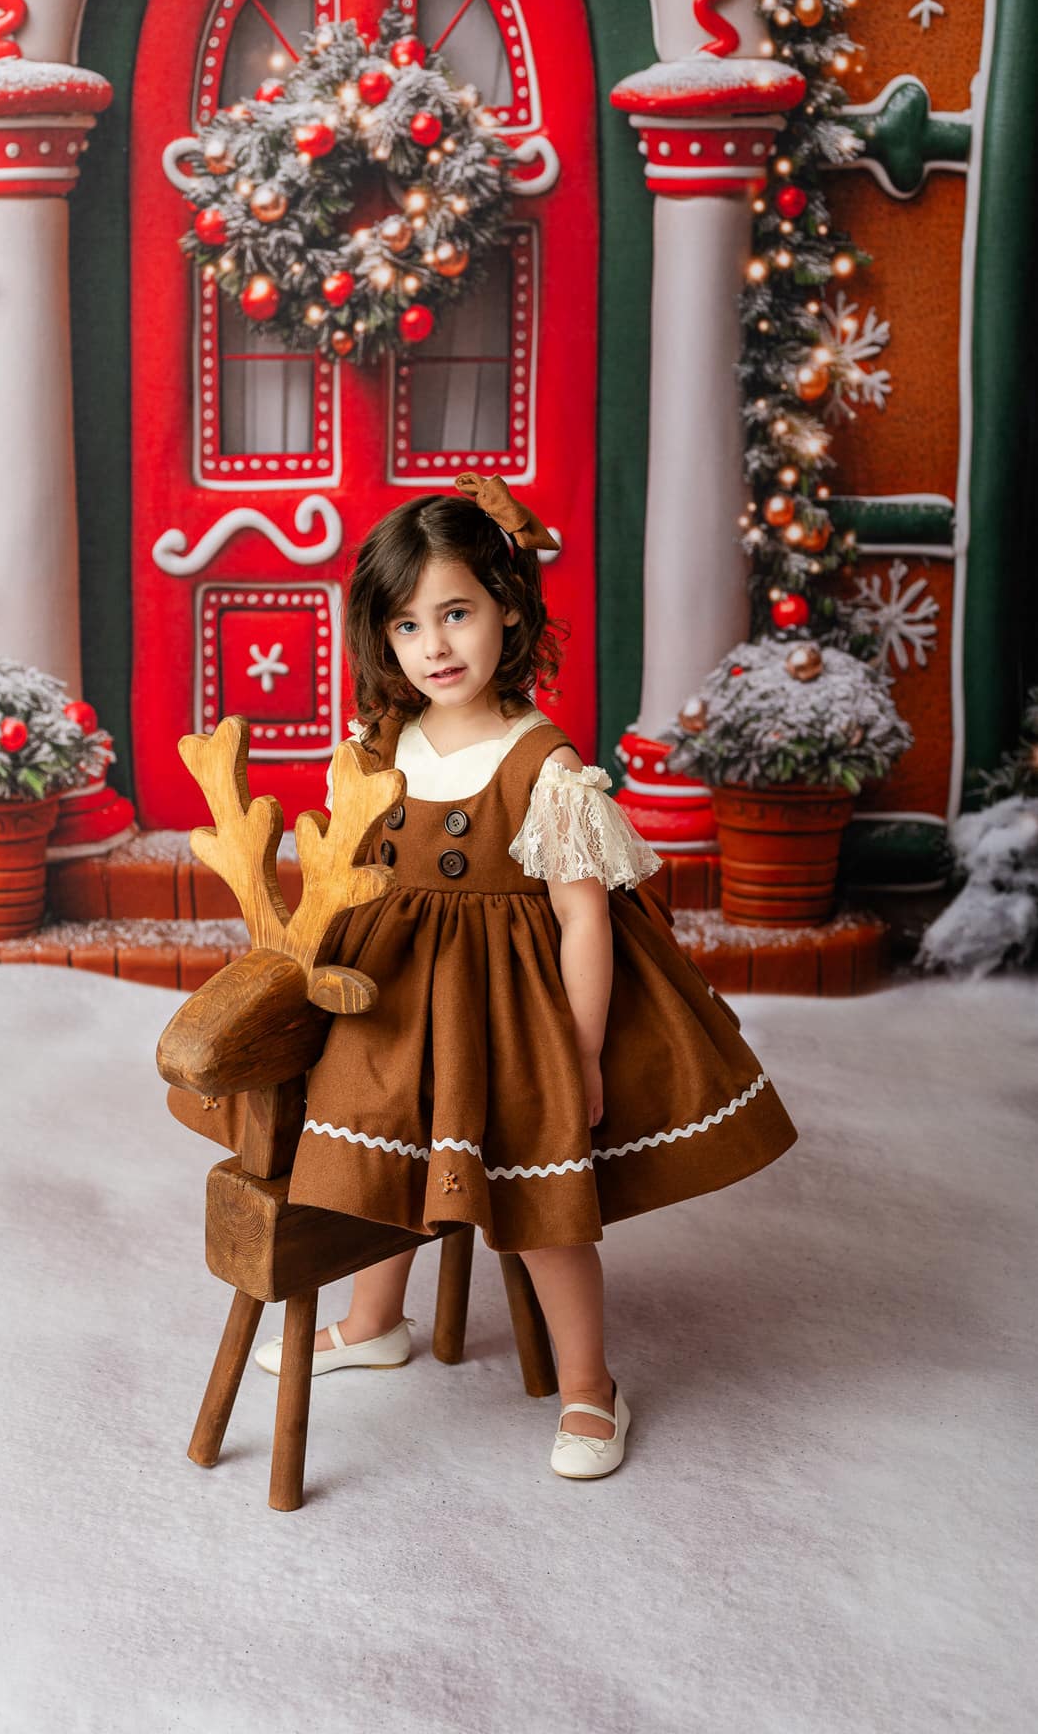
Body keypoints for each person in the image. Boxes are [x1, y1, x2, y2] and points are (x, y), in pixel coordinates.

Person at [233, 478, 797, 1478]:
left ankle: (588, 1385)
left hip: (507, 1011)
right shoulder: (380, 746)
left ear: (506, 604)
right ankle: (373, 1320)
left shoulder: (541, 763)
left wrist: (579, 1048)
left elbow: (583, 917)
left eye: (455, 611)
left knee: (539, 1205)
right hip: (394, 1002)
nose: (434, 643)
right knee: (374, 1161)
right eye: (407, 623)